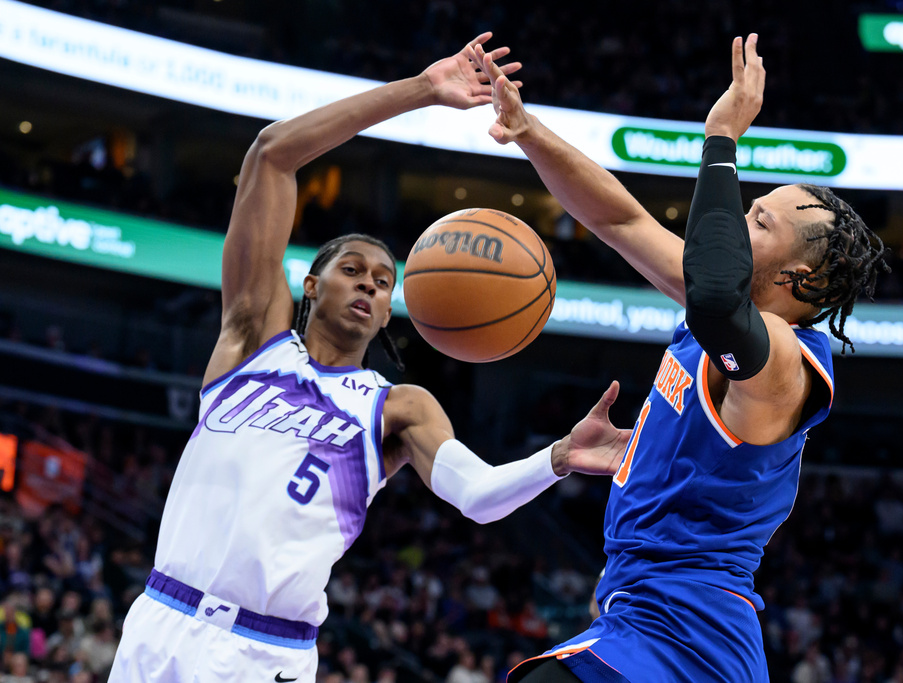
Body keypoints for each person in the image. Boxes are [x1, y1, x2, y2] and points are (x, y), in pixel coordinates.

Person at [109, 34, 631, 683]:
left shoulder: (398, 407)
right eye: (351, 269)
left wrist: (558, 457)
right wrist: (422, 90)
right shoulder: (251, 339)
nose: (369, 283)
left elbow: (477, 494)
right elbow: (271, 155)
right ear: (310, 284)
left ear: (389, 311)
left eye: (384, 281)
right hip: (161, 621)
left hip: (265, 653)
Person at [471, 33, 889, 682]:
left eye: (759, 221)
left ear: (799, 280)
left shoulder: (783, 361)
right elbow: (620, 223)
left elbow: (717, 299)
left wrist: (721, 137)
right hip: (642, 608)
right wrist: (529, 130)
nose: (737, 224)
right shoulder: (723, 317)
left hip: (692, 634)